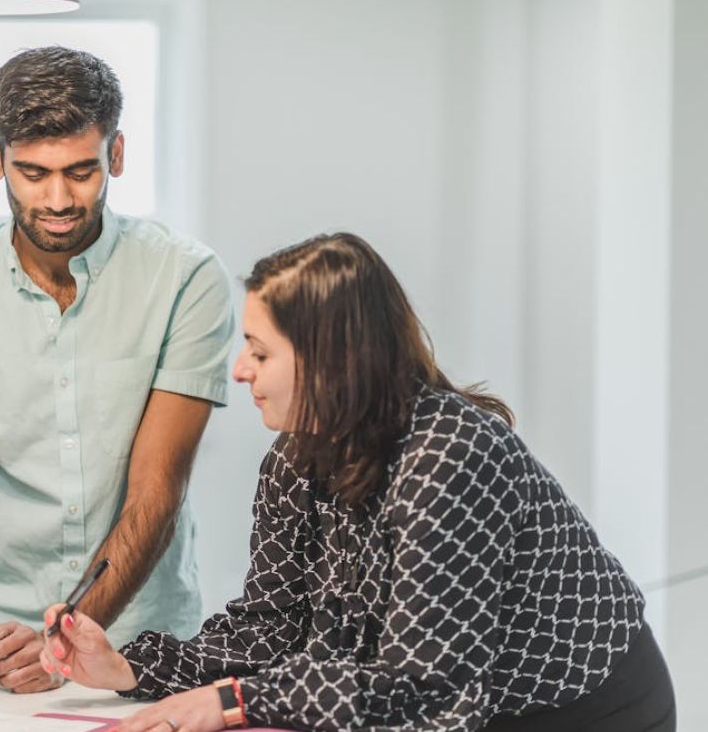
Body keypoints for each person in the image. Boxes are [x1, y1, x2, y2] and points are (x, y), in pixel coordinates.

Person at [39, 233, 676, 731]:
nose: (239, 370)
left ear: (329, 361)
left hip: (580, 711)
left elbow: (422, 687)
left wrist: (234, 700)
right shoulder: (294, 456)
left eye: (261, 352)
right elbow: (273, 624)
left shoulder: (450, 456)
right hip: (458, 707)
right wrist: (129, 668)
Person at [0, 46, 234, 695]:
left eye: (81, 171)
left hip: (143, 645)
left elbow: (155, 492)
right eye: (31, 172)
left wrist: (68, 639)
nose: (56, 199)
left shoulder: (185, 280)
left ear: (118, 154)